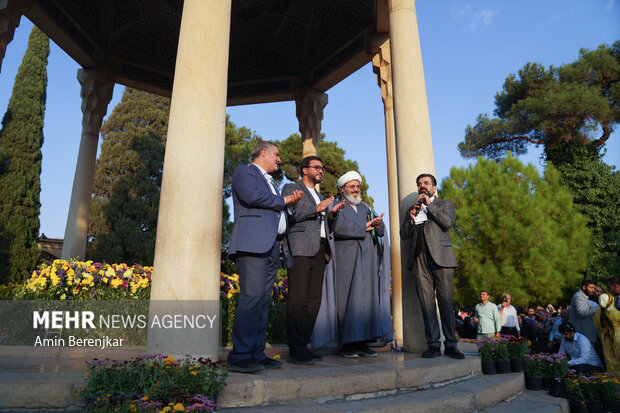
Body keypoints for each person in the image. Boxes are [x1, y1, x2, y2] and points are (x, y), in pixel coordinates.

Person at [227, 141, 303, 373]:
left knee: (262, 301)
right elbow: (251, 196)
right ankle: (240, 356)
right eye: (276, 155)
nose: (279, 160)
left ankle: (256, 353)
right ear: (263, 153)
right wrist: (285, 201)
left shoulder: (272, 182)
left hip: (272, 246)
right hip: (252, 245)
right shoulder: (245, 171)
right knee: (252, 298)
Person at [282, 156, 344, 365]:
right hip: (300, 248)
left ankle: (303, 344)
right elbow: (291, 213)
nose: (321, 171)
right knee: (297, 299)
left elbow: (324, 222)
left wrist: (332, 214)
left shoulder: (321, 195)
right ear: (304, 170)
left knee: (314, 300)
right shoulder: (291, 187)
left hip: (320, 249)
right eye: (317, 167)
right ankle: (295, 348)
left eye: (322, 167)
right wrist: (318, 209)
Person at [400, 173, 464, 359]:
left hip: (442, 259)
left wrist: (430, 205)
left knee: (445, 303)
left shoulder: (444, 204)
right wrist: (411, 219)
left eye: (426, 183)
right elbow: (403, 234)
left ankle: (451, 345)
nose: (422, 186)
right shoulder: (412, 209)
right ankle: (433, 345)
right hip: (419, 259)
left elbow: (447, 222)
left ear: (434, 187)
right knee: (426, 304)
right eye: (419, 184)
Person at [331, 171, 389, 358]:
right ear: (342, 190)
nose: (356, 190)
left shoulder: (365, 207)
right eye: (351, 187)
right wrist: (363, 228)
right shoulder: (336, 206)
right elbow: (337, 229)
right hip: (347, 261)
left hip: (367, 262)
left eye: (357, 186)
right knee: (349, 301)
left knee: (367, 301)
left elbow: (379, 232)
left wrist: (379, 224)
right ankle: (348, 344)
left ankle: (364, 342)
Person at [594, 278, 620, 376]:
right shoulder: (614, 310)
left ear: (615, 286)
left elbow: (597, 327)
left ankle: (614, 380)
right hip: (615, 337)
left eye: (610, 287)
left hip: (606, 338)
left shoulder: (598, 313)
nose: (610, 290)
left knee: (610, 360)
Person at [569, 280, 599, 345]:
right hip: (583, 334)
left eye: (594, 288)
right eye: (591, 287)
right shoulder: (579, 297)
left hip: (584, 334)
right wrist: (598, 308)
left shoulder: (582, 296)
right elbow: (582, 313)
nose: (593, 290)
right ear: (584, 287)